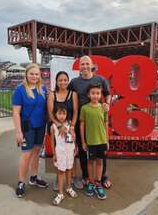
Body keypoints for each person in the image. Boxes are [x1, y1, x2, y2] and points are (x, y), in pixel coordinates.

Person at [69, 55, 112, 188]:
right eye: (82, 64)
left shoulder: (100, 79)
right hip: (81, 121)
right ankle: (86, 176)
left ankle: (102, 177)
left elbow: (108, 94)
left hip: (96, 122)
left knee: (101, 153)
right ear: (79, 67)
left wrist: (107, 104)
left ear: (92, 65)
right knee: (83, 151)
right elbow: (66, 95)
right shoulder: (74, 82)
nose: (85, 66)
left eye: (87, 64)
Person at [12, 63, 48, 198]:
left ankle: (34, 177)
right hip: (27, 127)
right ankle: (21, 181)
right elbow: (16, 113)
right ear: (26, 74)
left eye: (36, 74)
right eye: (32, 74)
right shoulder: (20, 90)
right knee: (26, 154)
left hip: (40, 126)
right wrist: (18, 132)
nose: (34, 76)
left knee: (37, 152)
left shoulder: (43, 89)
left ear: (40, 76)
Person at [47, 71, 83, 189]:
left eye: (65, 80)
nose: (63, 82)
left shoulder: (73, 94)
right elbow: (50, 113)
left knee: (72, 152)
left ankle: (73, 177)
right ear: (56, 82)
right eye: (60, 80)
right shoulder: (52, 94)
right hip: (56, 128)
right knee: (59, 153)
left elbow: (76, 111)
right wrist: (58, 125)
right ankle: (59, 178)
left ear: (68, 81)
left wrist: (72, 126)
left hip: (70, 127)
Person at [80, 84, 108, 200]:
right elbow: (82, 125)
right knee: (90, 162)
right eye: (93, 93)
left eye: (98, 93)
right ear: (88, 94)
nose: (95, 95)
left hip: (101, 141)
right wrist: (83, 141)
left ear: (100, 95)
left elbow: (106, 123)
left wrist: (107, 140)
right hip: (90, 141)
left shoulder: (103, 108)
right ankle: (91, 182)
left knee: (100, 162)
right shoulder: (85, 108)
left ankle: (98, 183)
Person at [50, 105, 78, 205]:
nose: (62, 116)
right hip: (60, 152)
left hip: (70, 151)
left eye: (64, 113)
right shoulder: (53, 127)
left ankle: (69, 187)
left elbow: (74, 137)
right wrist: (54, 154)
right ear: (55, 114)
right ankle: (60, 193)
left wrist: (75, 147)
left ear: (66, 114)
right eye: (59, 113)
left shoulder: (70, 124)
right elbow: (52, 142)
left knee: (69, 170)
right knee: (61, 172)